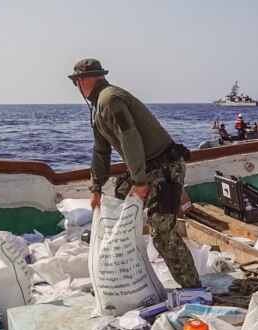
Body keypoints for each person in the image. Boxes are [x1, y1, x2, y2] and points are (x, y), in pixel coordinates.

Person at [68, 58, 201, 288]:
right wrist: (96, 188)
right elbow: (101, 151)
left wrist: (139, 182)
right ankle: (119, 282)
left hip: (165, 167)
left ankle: (193, 288)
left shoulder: (109, 100)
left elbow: (130, 139)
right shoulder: (97, 108)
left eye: (75, 83)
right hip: (145, 167)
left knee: (162, 234)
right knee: (116, 214)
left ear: (81, 81)